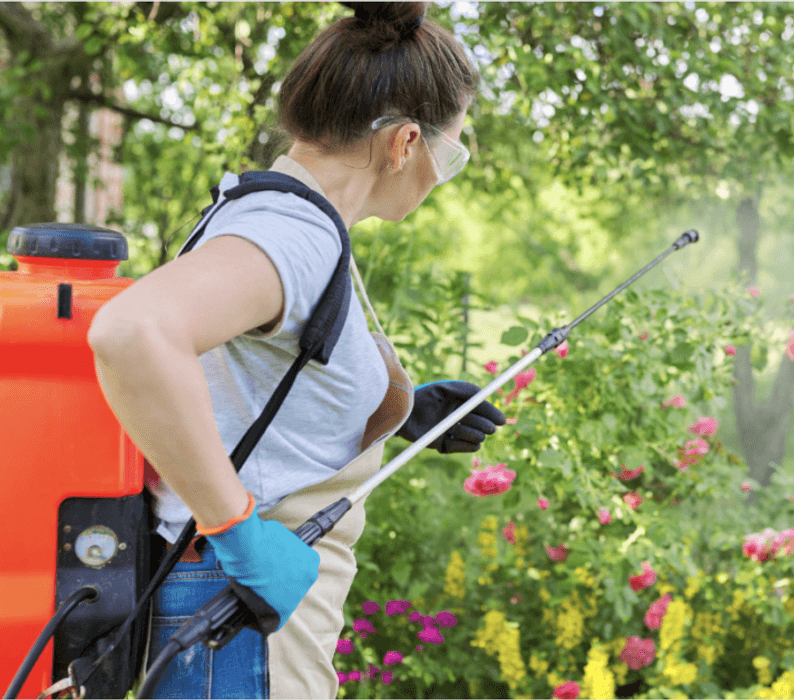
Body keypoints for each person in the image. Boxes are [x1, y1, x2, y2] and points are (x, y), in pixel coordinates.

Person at [86, 3, 499, 697]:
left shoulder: (285, 216)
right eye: (450, 153)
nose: (441, 175)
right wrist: (238, 530)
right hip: (237, 621)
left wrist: (399, 411)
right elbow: (133, 333)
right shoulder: (294, 234)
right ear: (402, 144)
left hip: (239, 618)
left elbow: (241, 390)